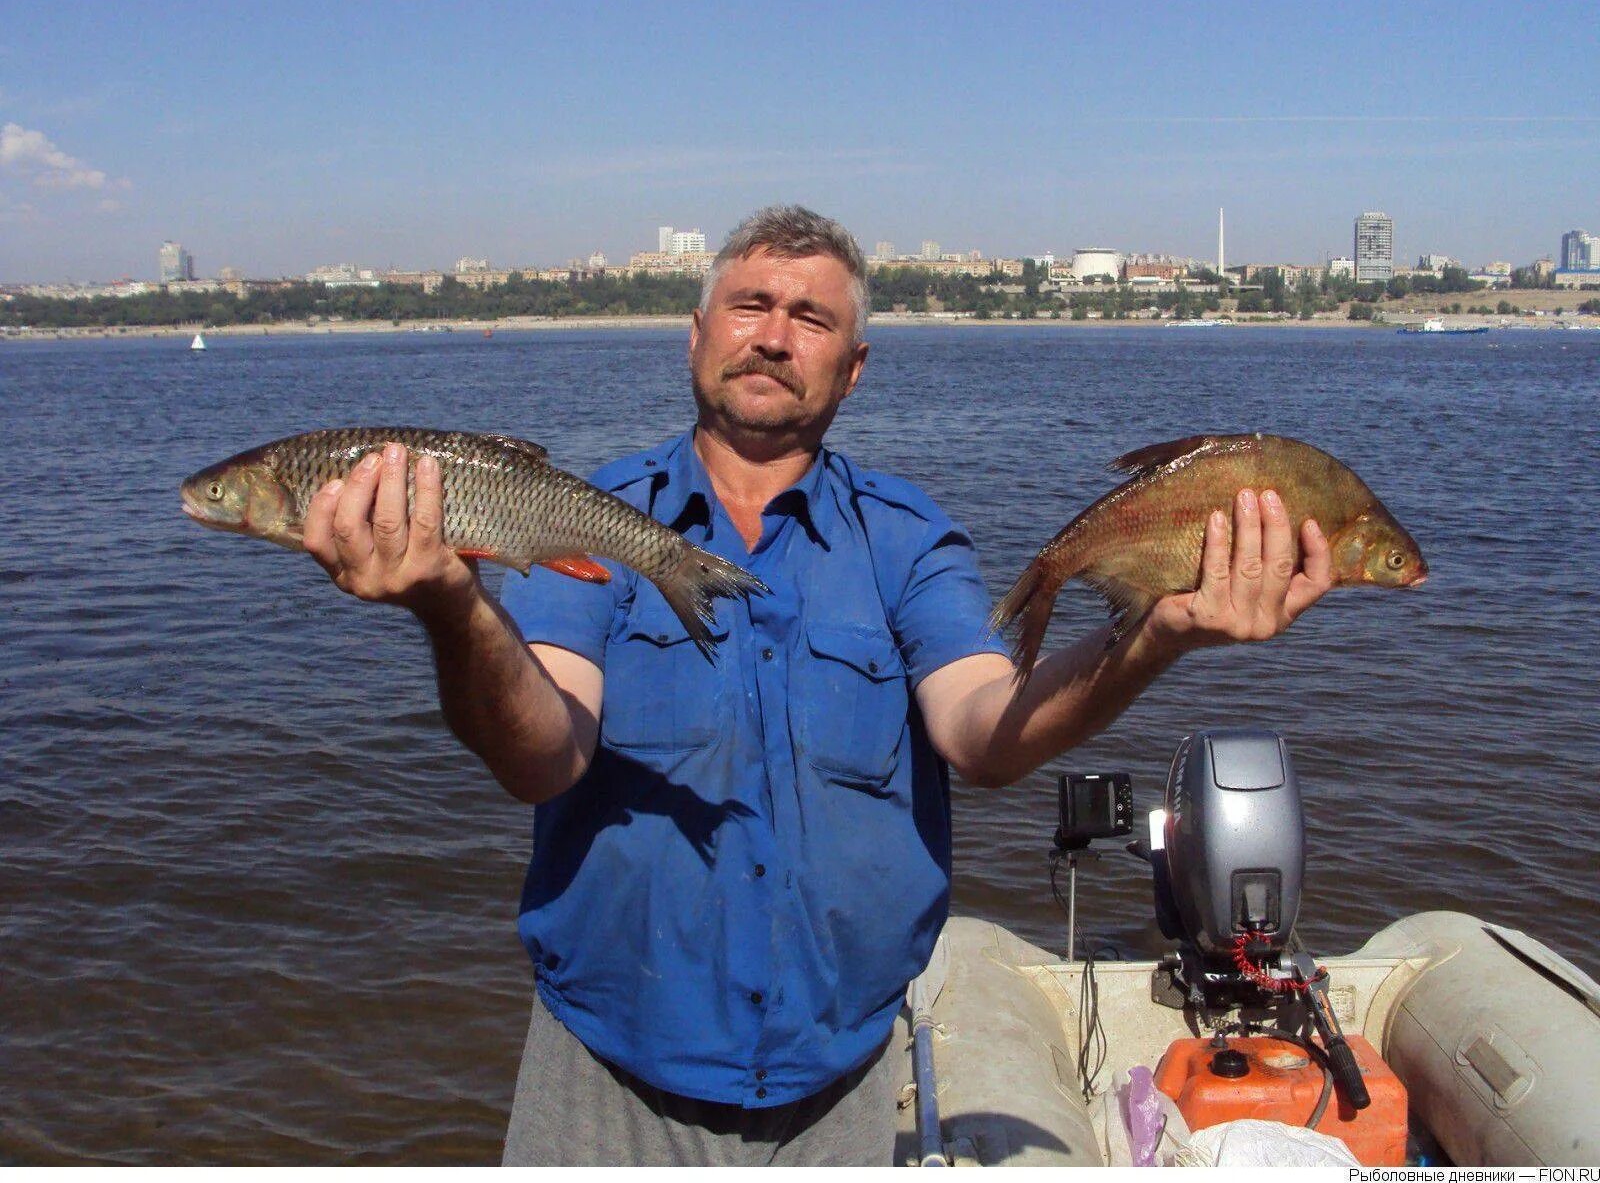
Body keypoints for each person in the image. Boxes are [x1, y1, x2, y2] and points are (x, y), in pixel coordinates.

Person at [301, 205, 1333, 1166]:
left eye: (811, 318)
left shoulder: (905, 537)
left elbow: (985, 732)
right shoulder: (584, 517)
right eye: (749, 305)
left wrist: (1153, 636)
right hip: (601, 1081)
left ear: (853, 369)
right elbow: (541, 753)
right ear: (696, 333)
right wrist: (450, 603)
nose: (773, 335)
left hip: (836, 1092)